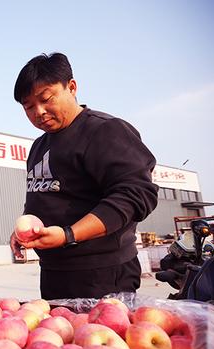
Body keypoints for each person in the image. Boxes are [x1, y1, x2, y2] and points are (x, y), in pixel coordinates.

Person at [10, 52, 159, 300]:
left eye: (46, 99)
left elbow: (135, 195)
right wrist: (25, 231)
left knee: (100, 338)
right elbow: (40, 199)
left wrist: (68, 234)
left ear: (72, 87)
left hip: (101, 273)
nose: (39, 112)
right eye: (28, 107)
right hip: (54, 272)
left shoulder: (104, 131)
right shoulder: (39, 147)